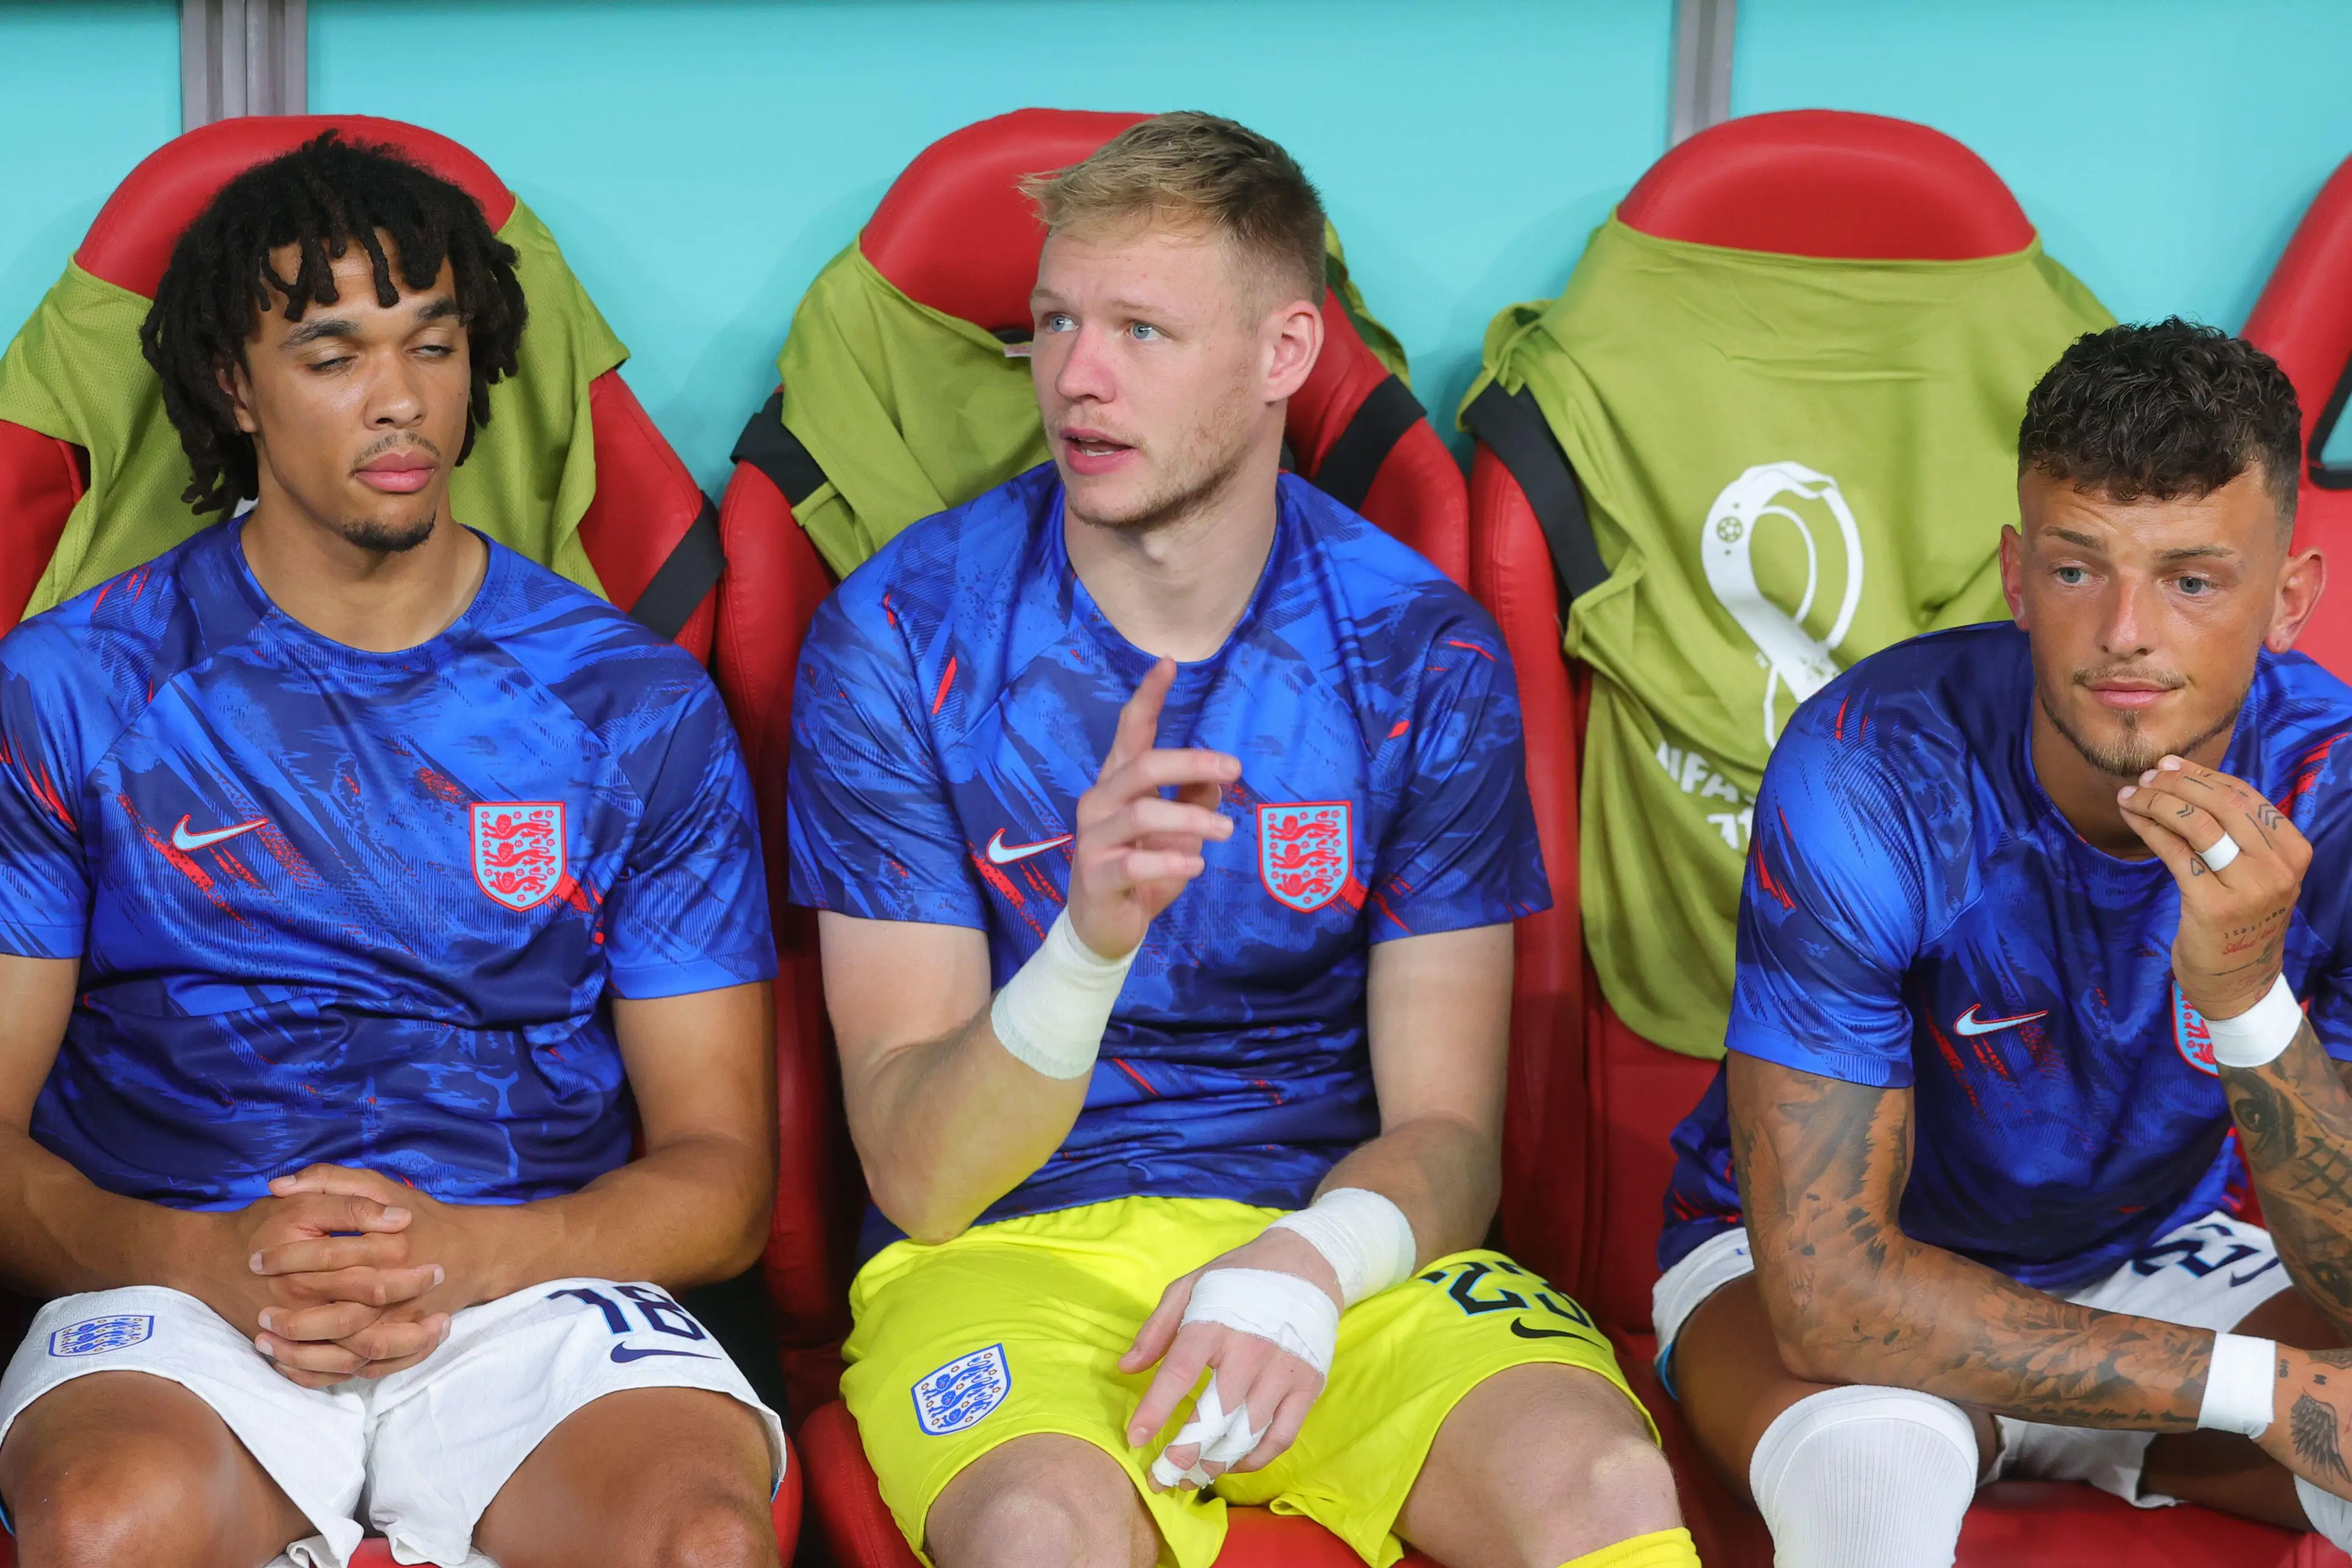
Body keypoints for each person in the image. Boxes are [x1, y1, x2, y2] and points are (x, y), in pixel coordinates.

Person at [786, 111, 1691, 1568]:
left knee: (1603, 1484)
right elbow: (920, 1173)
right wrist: (1085, 947)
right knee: (1038, 1533)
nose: (1078, 377)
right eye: (1055, 323)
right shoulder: (896, 636)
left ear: (1286, 353)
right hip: (1007, 1252)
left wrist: (1307, 1266)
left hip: (1333, 1244)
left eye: (1142, 330)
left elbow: (1451, 1139)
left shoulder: (1422, 651)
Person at [0, 133, 784, 1568]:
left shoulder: (632, 703)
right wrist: (199, 1256)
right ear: (234, 384)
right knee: (105, 1526)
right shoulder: (73, 688)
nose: (400, 399)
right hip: (184, 1274)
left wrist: (471, 1253)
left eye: (433, 344)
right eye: (332, 354)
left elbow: (723, 1176)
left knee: (701, 1538)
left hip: (526, 1273)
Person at [1655, 318, 2352, 1566]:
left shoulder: (2333, 789)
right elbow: (1827, 1296)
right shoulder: (1875, 767)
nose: (2127, 630)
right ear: (2018, 577)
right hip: (1836, 1269)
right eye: (2081, 570)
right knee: (1874, 1475)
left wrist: (2250, 999)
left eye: (2192, 581)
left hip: (2149, 1252)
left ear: (2289, 598)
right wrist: (2257, 1388)